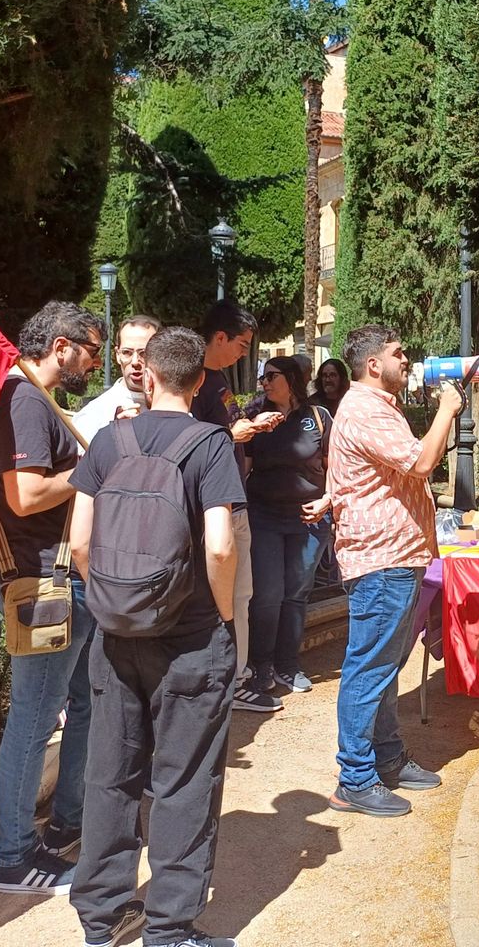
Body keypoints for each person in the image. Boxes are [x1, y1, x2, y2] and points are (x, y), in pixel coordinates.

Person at [67, 327, 242, 947]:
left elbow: (80, 543)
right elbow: (219, 546)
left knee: (109, 774)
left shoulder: (109, 441)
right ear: (199, 380)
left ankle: (102, 918)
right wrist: (224, 616)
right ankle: (169, 929)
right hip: (190, 638)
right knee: (184, 780)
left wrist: (115, 601)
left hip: (115, 637)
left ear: (149, 373)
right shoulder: (210, 444)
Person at [0, 301, 104, 894]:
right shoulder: (25, 398)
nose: (96, 363)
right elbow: (25, 496)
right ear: (61, 346)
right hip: (41, 580)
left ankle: (61, 828)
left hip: (54, 577)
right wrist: (91, 468)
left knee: (74, 706)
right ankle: (13, 858)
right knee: (33, 719)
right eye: (92, 351)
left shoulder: (35, 398)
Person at [326, 324, 464, 816]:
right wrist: (447, 410)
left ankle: (386, 758)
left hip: (396, 556)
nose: (406, 360)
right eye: (397, 353)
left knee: (384, 668)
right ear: (373, 364)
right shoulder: (366, 409)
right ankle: (355, 778)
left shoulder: (377, 407)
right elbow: (421, 463)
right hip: (382, 560)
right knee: (369, 669)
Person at [193, 300, 285, 714]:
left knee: (241, 595)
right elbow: (195, 440)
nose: (244, 353)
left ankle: (237, 678)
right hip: (216, 505)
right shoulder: (195, 380)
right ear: (219, 337)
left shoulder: (217, 380)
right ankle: (223, 682)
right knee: (223, 596)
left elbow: (225, 429)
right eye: (242, 344)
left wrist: (246, 428)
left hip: (235, 499)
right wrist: (237, 433)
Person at [244, 354, 333, 699]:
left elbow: (333, 467)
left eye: (271, 376)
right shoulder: (255, 416)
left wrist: (328, 502)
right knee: (268, 594)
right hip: (264, 516)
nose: (264, 383)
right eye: (263, 377)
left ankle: (288, 664)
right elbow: (244, 467)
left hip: (309, 519)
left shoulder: (318, 417)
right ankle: (261, 664)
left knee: (296, 594)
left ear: (291, 379)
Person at [72, 315, 161, 443]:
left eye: (144, 353)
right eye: (127, 353)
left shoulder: (176, 405)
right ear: (118, 355)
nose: (135, 362)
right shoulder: (94, 415)